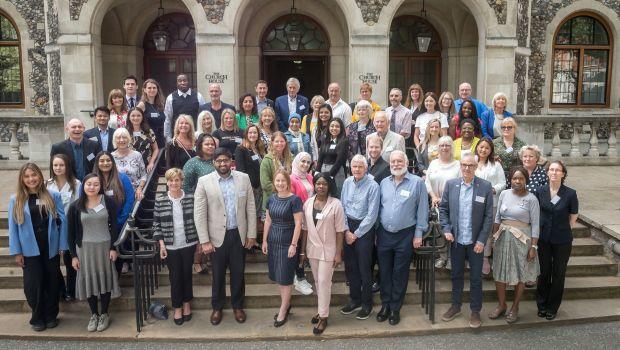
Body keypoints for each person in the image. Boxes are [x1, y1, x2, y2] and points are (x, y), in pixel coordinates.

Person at [194, 147, 256, 325]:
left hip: (238, 234)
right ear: (214, 162)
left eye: (226, 160)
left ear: (231, 162)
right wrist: (204, 240)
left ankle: (238, 306)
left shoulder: (243, 179)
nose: (223, 164)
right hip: (215, 237)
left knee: (238, 273)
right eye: (219, 161)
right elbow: (199, 213)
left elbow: (250, 208)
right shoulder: (204, 181)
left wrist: (251, 234)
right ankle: (217, 307)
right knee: (218, 275)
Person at [9, 163, 67, 331]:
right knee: (33, 284)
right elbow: (13, 228)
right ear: (22, 179)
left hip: (50, 246)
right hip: (29, 249)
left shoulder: (53, 195)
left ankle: (51, 315)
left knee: (52, 281)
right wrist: (17, 251)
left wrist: (63, 244)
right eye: (27, 176)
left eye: (33, 175)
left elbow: (62, 221)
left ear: (40, 176)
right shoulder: (16, 199)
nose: (31, 179)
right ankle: (37, 316)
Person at [438, 154, 494, 329]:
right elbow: (443, 209)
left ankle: (475, 310)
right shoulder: (451, 185)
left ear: (476, 167)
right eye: (464, 165)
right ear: (460, 166)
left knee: (476, 278)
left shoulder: (485, 187)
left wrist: (482, 240)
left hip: (475, 242)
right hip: (456, 241)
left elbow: (488, 217)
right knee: (456, 275)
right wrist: (446, 229)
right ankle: (455, 306)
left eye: (470, 165)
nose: (467, 168)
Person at [376, 150, 429, 325]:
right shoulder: (383, 183)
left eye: (399, 161)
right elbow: (378, 210)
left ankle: (395, 308)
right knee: (384, 272)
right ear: (389, 164)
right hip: (384, 234)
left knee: (400, 273)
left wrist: (419, 234)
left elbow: (422, 210)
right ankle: (385, 305)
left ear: (406, 162)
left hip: (405, 235)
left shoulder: (417, 183)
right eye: (393, 162)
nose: (396, 164)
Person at [67, 173, 120, 332]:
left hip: (104, 248)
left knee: (105, 280)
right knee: (89, 281)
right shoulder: (76, 206)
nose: (92, 187)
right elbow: (70, 234)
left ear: (100, 186)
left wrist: (113, 247)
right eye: (89, 184)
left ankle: (104, 313)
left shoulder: (108, 202)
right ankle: (94, 314)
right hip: (84, 249)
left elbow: (115, 226)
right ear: (83, 185)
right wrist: (73, 256)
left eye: (96, 184)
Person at [489, 167, 540, 324]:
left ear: (526, 180)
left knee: (521, 274)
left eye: (521, 178)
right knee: (499, 272)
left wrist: (533, 247)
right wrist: (493, 238)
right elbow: (497, 218)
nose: (517, 181)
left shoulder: (532, 199)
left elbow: (536, 225)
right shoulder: (504, 194)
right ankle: (502, 304)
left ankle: (515, 307)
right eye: (514, 178)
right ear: (510, 180)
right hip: (503, 238)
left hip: (522, 240)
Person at [298, 173, 345, 334]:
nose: (321, 186)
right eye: (318, 183)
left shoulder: (336, 204)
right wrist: (302, 251)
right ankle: (321, 309)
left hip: (329, 250)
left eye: (324, 184)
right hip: (312, 249)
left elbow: (340, 231)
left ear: (329, 186)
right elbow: (304, 229)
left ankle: (323, 317)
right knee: (318, 283)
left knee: (324, 282)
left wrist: (338, 254)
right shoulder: (308, 203)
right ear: (314, 185)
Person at [153, 168, 198, 326]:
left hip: (189, 243)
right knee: (175, 277)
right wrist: (161, 245)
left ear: (182, 181)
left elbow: (198, 220)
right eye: (171, 180)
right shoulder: (160, 200)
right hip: (170, 246)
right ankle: (177, 307)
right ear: (167, 182)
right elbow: (156, 224)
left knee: (187, 275)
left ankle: (187, 304)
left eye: (177, 180)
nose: (174, 183)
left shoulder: (191, 198)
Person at [535, 161, 579, 321]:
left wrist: (566, 229)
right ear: (547, 173)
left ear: (563, 174)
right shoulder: (540, 191)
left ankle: (552, 307)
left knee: (558, 273)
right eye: (551, 170)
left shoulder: (570, 193)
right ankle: (541, 304)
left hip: (562, 240)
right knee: (544, 272)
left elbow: (574, 214)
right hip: (544, 239)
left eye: (557, 170)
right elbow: (535, 212)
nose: (554, 172)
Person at [340, 155, 380, 320]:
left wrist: (355, 234)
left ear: (366, 168)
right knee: (350, 267)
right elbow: (341, 206)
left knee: (364, 267)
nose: (356, 169)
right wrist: (346, 230)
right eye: (354, 166)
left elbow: (372, 215)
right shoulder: (347, 182)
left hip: (365, 229)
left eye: (360, 167)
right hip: (348, 226)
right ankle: (354, 299)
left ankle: (366, 303)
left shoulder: (373, 185)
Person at [262, 170, 303, 327]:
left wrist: (294, 244)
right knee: (278, 276)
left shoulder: (295, 200)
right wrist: (264, 240)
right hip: (273, 242)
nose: (280, 183)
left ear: (288, 182)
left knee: (285, 278)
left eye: (282, 181)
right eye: (277, 181)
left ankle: (283, 309)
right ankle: (286, 304)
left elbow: (298, 224)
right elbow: (267, 221)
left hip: (288, 243)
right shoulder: (271, 199)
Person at [47, 154, 81, 302]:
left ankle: (71, 290)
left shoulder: (76, 183)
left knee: (69, 260)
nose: (58, 168)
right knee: (53, 261)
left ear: (67, 166)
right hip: (53, 226)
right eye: (55, 165)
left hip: (70, 226)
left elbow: (78, 206)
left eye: (61, 165)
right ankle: (60, 288)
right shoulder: (47, 184)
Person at [182, 133, 217, 275]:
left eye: (212, 144)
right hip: (198, 204)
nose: (210, 146)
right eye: (207, 144)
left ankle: (210, 260)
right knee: (200, 235)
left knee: (213, 233)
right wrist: (196, 199)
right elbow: (185, 185)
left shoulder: (217, 160)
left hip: (215, 205)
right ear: (200, 146)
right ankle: (197, 263)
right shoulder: (193, 163)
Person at [425, 136, 460, 268]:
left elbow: (460, 185)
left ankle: (452, 258)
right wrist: (433, 196)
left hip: (452, 204)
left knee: (452, 231)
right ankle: (443, 256)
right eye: (442, 145)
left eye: (447, 145)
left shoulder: (458, 165)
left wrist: (446, 199)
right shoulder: (433, 163)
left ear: (452, 148)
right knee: (439, 229)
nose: (444, 148)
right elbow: (427, 182)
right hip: (436, 202)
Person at [474, 138, 507, 274]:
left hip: (492, 201)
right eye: (481, 147)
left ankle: (486, 257)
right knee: (477, 228)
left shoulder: (496, 164)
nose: (483, 150)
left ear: (491, 150)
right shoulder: (471, 161)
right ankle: (475, 255)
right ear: (477, 147)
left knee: (489, 230)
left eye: (487, 148)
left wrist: (493, 189)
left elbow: (503, 183)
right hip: (474, 203)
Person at [235, 125, 267, 245]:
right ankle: (247, 241)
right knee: (248, 214)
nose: (253, 135)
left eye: (255, 133)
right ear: (246, 134)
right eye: (250, 133)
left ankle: (253, 240)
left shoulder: (259, 149)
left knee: (256, 214)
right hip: (250, 188)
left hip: (260, 188)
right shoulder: (241, 149)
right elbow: (240, 171)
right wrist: (248, 187)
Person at [289, 152, 315, 296]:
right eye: (302, 161)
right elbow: (291, 201)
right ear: (297, 162)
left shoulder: (310, 177)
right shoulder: (292, 178)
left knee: (304, 247)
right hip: (298, 218)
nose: (305, 164)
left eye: (308, 162)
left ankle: (301, 275)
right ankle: (298, 277)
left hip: (309, 217)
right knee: (298, 246)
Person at [92, 152, 134, 229]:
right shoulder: (91, 180)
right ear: (97, 163)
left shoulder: (123, 178)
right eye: (101, 161)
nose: (105, 163)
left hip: (119, 223)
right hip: (96, 226)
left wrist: (120, 221)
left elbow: (130, 200)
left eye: (108, 160)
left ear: (113, 162)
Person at [164, 74, 206, 140]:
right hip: (177, 136)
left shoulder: (198, 96)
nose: (182, 83)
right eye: (180, 81)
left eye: (184, 80)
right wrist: (168, 137)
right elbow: (167, 119)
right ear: (176, 83)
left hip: (195, 135)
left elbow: (203, 116)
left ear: (189, 82)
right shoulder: (170, 98)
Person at [260, 132, 293, 214]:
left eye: (282, 141)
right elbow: (265, 184)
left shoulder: (291, 158)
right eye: (277, 141)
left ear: (285, 142)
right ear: (272, 143)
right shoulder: (267, 160)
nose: (279, 144)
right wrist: (282, 193)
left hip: (288, 202)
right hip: (272, 203)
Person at [111, 128, 147, 200]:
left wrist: (140, 188)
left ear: (128, 139)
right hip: (117, 195)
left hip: (136, 194)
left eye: (124, 137)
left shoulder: (137, 155)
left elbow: (143, 176)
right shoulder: (111, 157)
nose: (121, 140)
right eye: (118, 138)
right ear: (115, 140)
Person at [317, 118, 349, 197]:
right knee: (324, 195)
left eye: (337, 126)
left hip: (337, 172)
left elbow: (340, 161)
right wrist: (317, 172)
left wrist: (329, 176)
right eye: (332, 126)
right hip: (324, 170)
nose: (334, 128)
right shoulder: (325, 139)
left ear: (341, 128)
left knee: (336, 194)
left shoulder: (344, 141)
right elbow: (320, 157)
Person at [126, 107, 159, 173]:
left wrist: (151, 162)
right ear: (129, 117)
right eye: (133, 116)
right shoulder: (125, 132)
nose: (136, 118)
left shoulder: (148, 131)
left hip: (147, 167)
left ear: (142, 117)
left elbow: (156, 149)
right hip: (129, 167)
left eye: (138, 115)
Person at [493, 117, 525, 183]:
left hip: (516, 178)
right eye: (503, 127)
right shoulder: (494, 143)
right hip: (497, 177)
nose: (506, 129)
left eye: (509, 127)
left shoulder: (522, 145)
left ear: (515, 128)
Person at [137, 78, 166, 148]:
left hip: (160, 138)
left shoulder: (160, 105)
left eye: (154, 88)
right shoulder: (142, 105)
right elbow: (135, 121)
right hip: (149, 140)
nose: (152, 90)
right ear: (144, 90)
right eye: (149, 88)